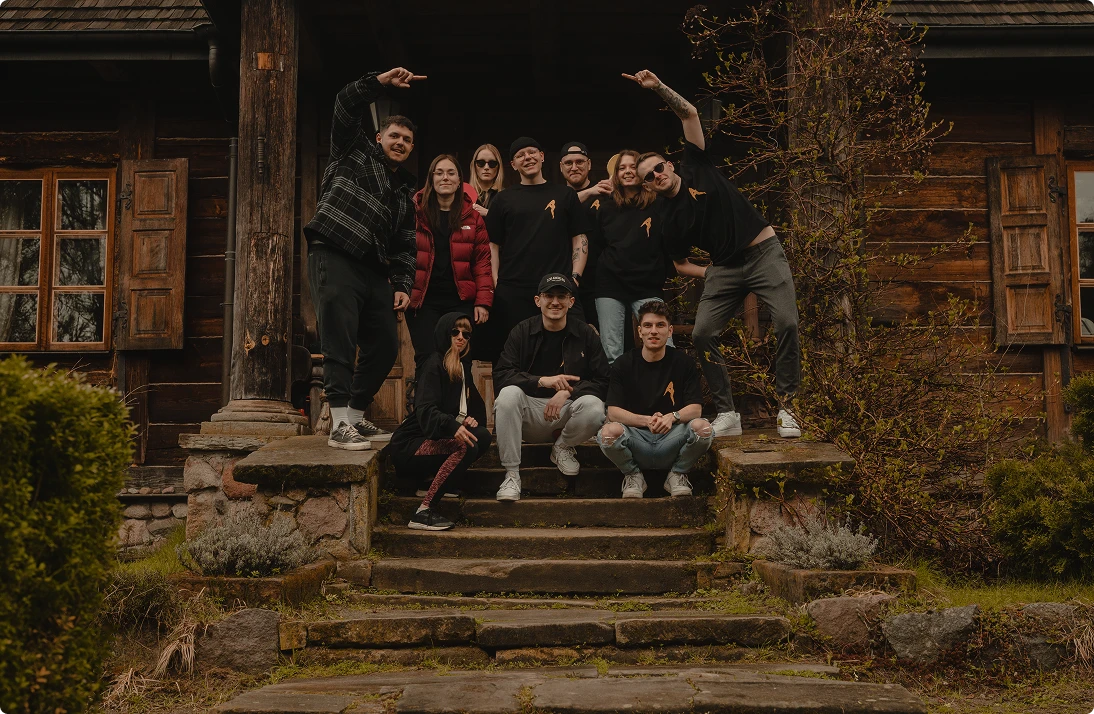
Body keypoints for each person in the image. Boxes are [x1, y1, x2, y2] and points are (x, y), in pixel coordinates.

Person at [626, 68, 802, 439]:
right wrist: (709, 274)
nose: (656, 175)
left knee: (787, 322)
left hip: (763, 252)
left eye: (658, 167)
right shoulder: (666, 218)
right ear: (646, 186)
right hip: (724, 268)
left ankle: (789, 408)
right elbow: (678, 264)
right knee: (704, 333)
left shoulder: (697, 165)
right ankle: (727, 412)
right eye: (648, 176)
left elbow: (689, 114)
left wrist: (658, 87)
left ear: (669, 165)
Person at [304, 66, 425, 450]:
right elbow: (344, 104)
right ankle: (338, 423)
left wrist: (404, 285)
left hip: (374, 269)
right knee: (339, 338)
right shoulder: (352, 151)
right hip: (335, 252)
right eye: (394, 135)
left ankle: (355, 416)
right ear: (379, 137)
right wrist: (378, 84)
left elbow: (406, 244)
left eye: (407, 139)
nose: (401, 142)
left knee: (386, 344)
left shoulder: (405, 190)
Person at [491, 273, 609, 502]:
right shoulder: (522, 331)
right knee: (508, 394)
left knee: (594, 406)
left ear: (571, 302)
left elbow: (604, 381)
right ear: (538, 300)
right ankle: (512, 475)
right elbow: (502, 375)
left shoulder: (585, 333)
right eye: (549, 296)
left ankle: (563, 447)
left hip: (568, 416)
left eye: (561, 296)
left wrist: (568, 391)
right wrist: (541, 381)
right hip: (529, 415)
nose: (555, 302)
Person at [598, 301, 713, 498]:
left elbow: (695, 409)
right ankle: (633, 475)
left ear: (669, 331)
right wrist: (647, 421)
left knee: (704, 429)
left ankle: (677, 474)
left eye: (660, 325)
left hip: (672, 439)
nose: (653, 331)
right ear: (639, 330)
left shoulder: (683, 362)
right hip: (637, 440)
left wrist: (671, 417)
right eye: (648, 325)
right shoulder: (623, 364)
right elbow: (613, 412)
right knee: (608, 433)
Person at [388, 312, 492, 530]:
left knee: (480, 436)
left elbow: (478, 410)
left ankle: (429, 483)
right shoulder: (433, 364)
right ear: (445, 334)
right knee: (465, 446)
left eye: (466, 333)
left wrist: (471, 420)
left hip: (431, 443)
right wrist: (453, 426)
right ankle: (423, 512)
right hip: (409, 445)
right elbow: (425, 410)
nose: (461, 337)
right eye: (455, 332)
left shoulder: (463, 368)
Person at [486, 137, 591, 348]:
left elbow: (579, 237)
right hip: (514, 290)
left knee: (571, 349)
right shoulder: (503, 199)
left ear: (542, 157)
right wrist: (497, 282)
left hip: (559, 287)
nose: (528, 157)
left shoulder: (565, 195)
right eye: (520, 155)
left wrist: (575, 278)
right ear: (513, 165)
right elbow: (492, 245)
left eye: (532, 152)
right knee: (514, 353)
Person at [406, 154, 494, 375]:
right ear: (431, 179)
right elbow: (401, 254)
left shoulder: (473, 218)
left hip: (460, 301)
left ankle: (460, 411)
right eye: (439, 172)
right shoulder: (414, 213)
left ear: (459, 180)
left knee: (460, 361)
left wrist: (483, 302)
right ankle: (425, 409)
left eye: (451, 173)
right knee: (427, 360)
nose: (445, 177)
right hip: (423, 302)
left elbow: (483, 262)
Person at [593, 150, 673, 364]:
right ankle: (617, 396)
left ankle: (665, 394)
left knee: (665, 345)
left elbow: (667, 242)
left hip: (647, 284)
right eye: (622, 168)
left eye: (632, 167)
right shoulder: (606, 206)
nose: (627, 171)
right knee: (612, 350)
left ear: (641, 172)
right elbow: (597, 244)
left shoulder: (658, 204)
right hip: (609, 284)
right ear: (615, 175)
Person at [560, 141, 610, 330]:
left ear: (589, 164)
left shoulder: (605, 194)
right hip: (567, 281)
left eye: (580, 162)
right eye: (568, 163)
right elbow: (564, 209)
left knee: (604, 338)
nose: (574, 167)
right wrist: (589, 192)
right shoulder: (555, 198)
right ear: (561, 167)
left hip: (600, 282)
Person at [469, 143, 505, 217]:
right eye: (480, 163)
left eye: (492, 163)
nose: (486, 167)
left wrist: (489, 213)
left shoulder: (506, 196)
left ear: (498, 167)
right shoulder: (464, 195)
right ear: (474, 166)